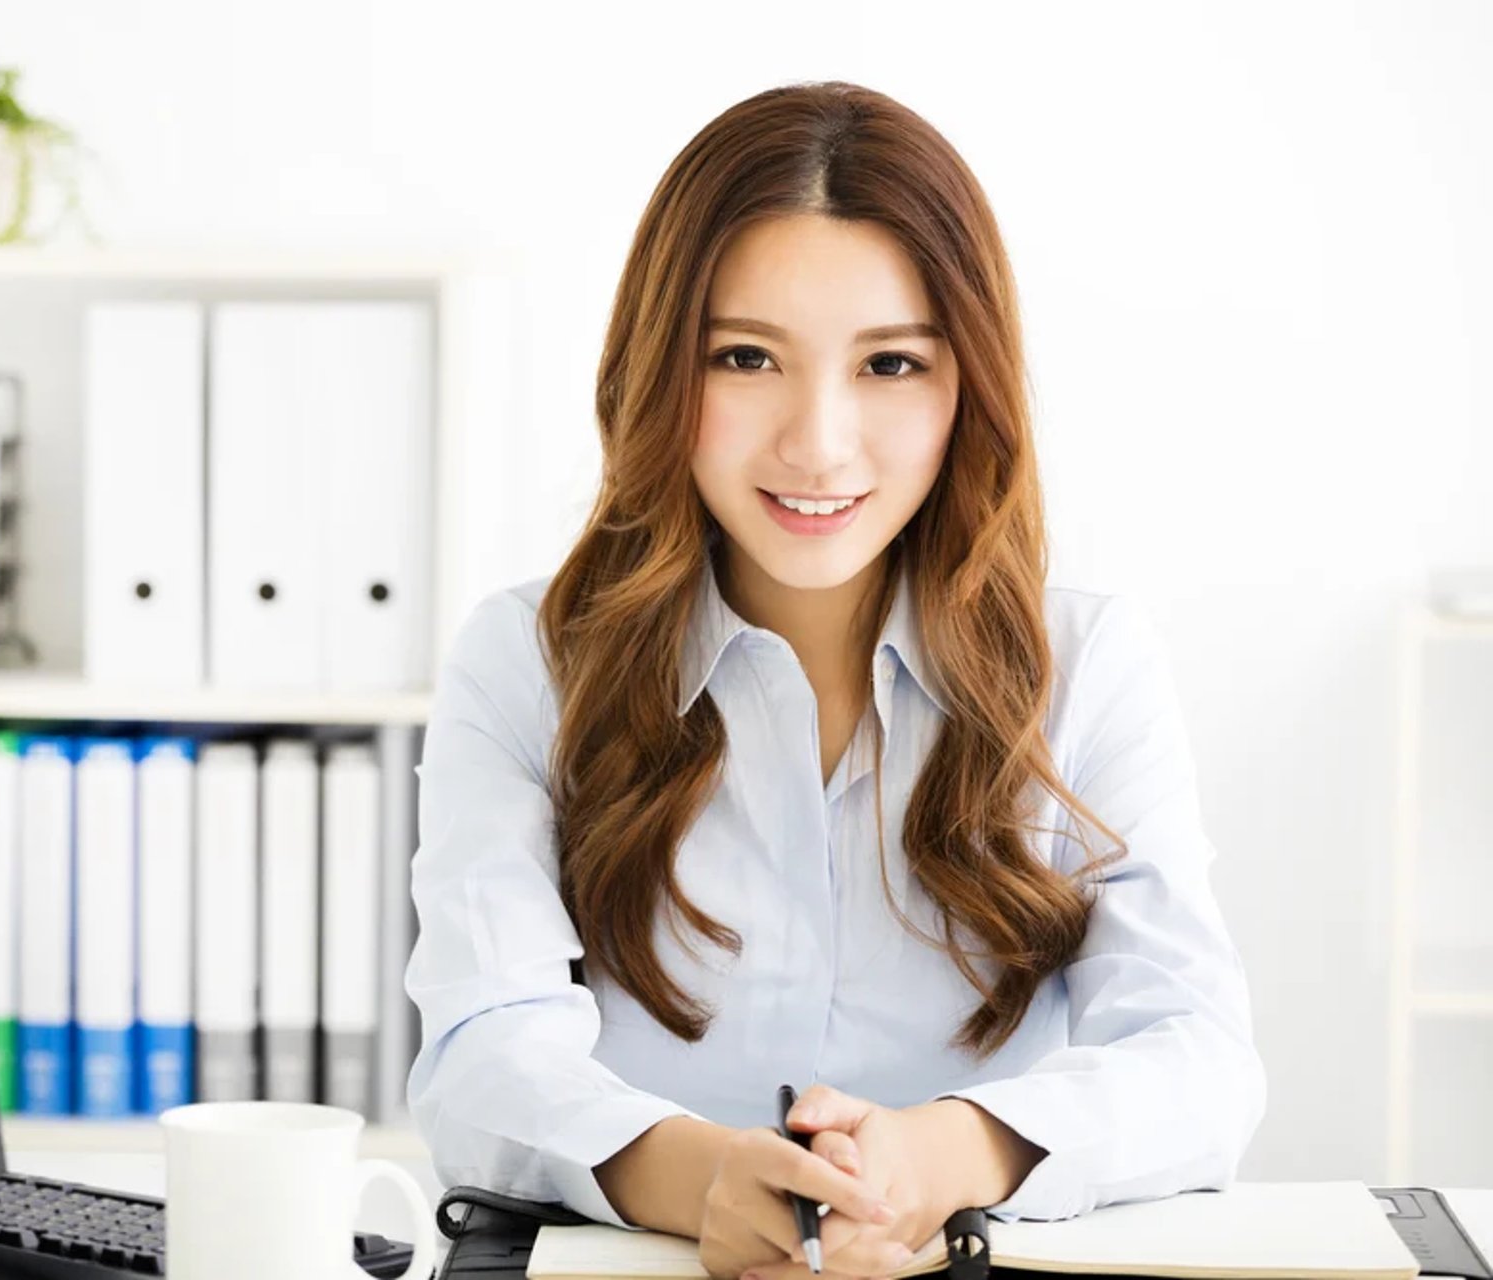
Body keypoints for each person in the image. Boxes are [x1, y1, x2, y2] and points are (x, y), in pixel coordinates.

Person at [402, 80, 1265, 1280]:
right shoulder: (528, 661)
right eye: (746, 357)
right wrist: (710, 1179)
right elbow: (481, 1051)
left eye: (890, 363)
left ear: (970, 384)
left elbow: (1199, 1058)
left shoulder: (1088, 665)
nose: (817, 442)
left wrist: (939, 1157)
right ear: (659, 369)